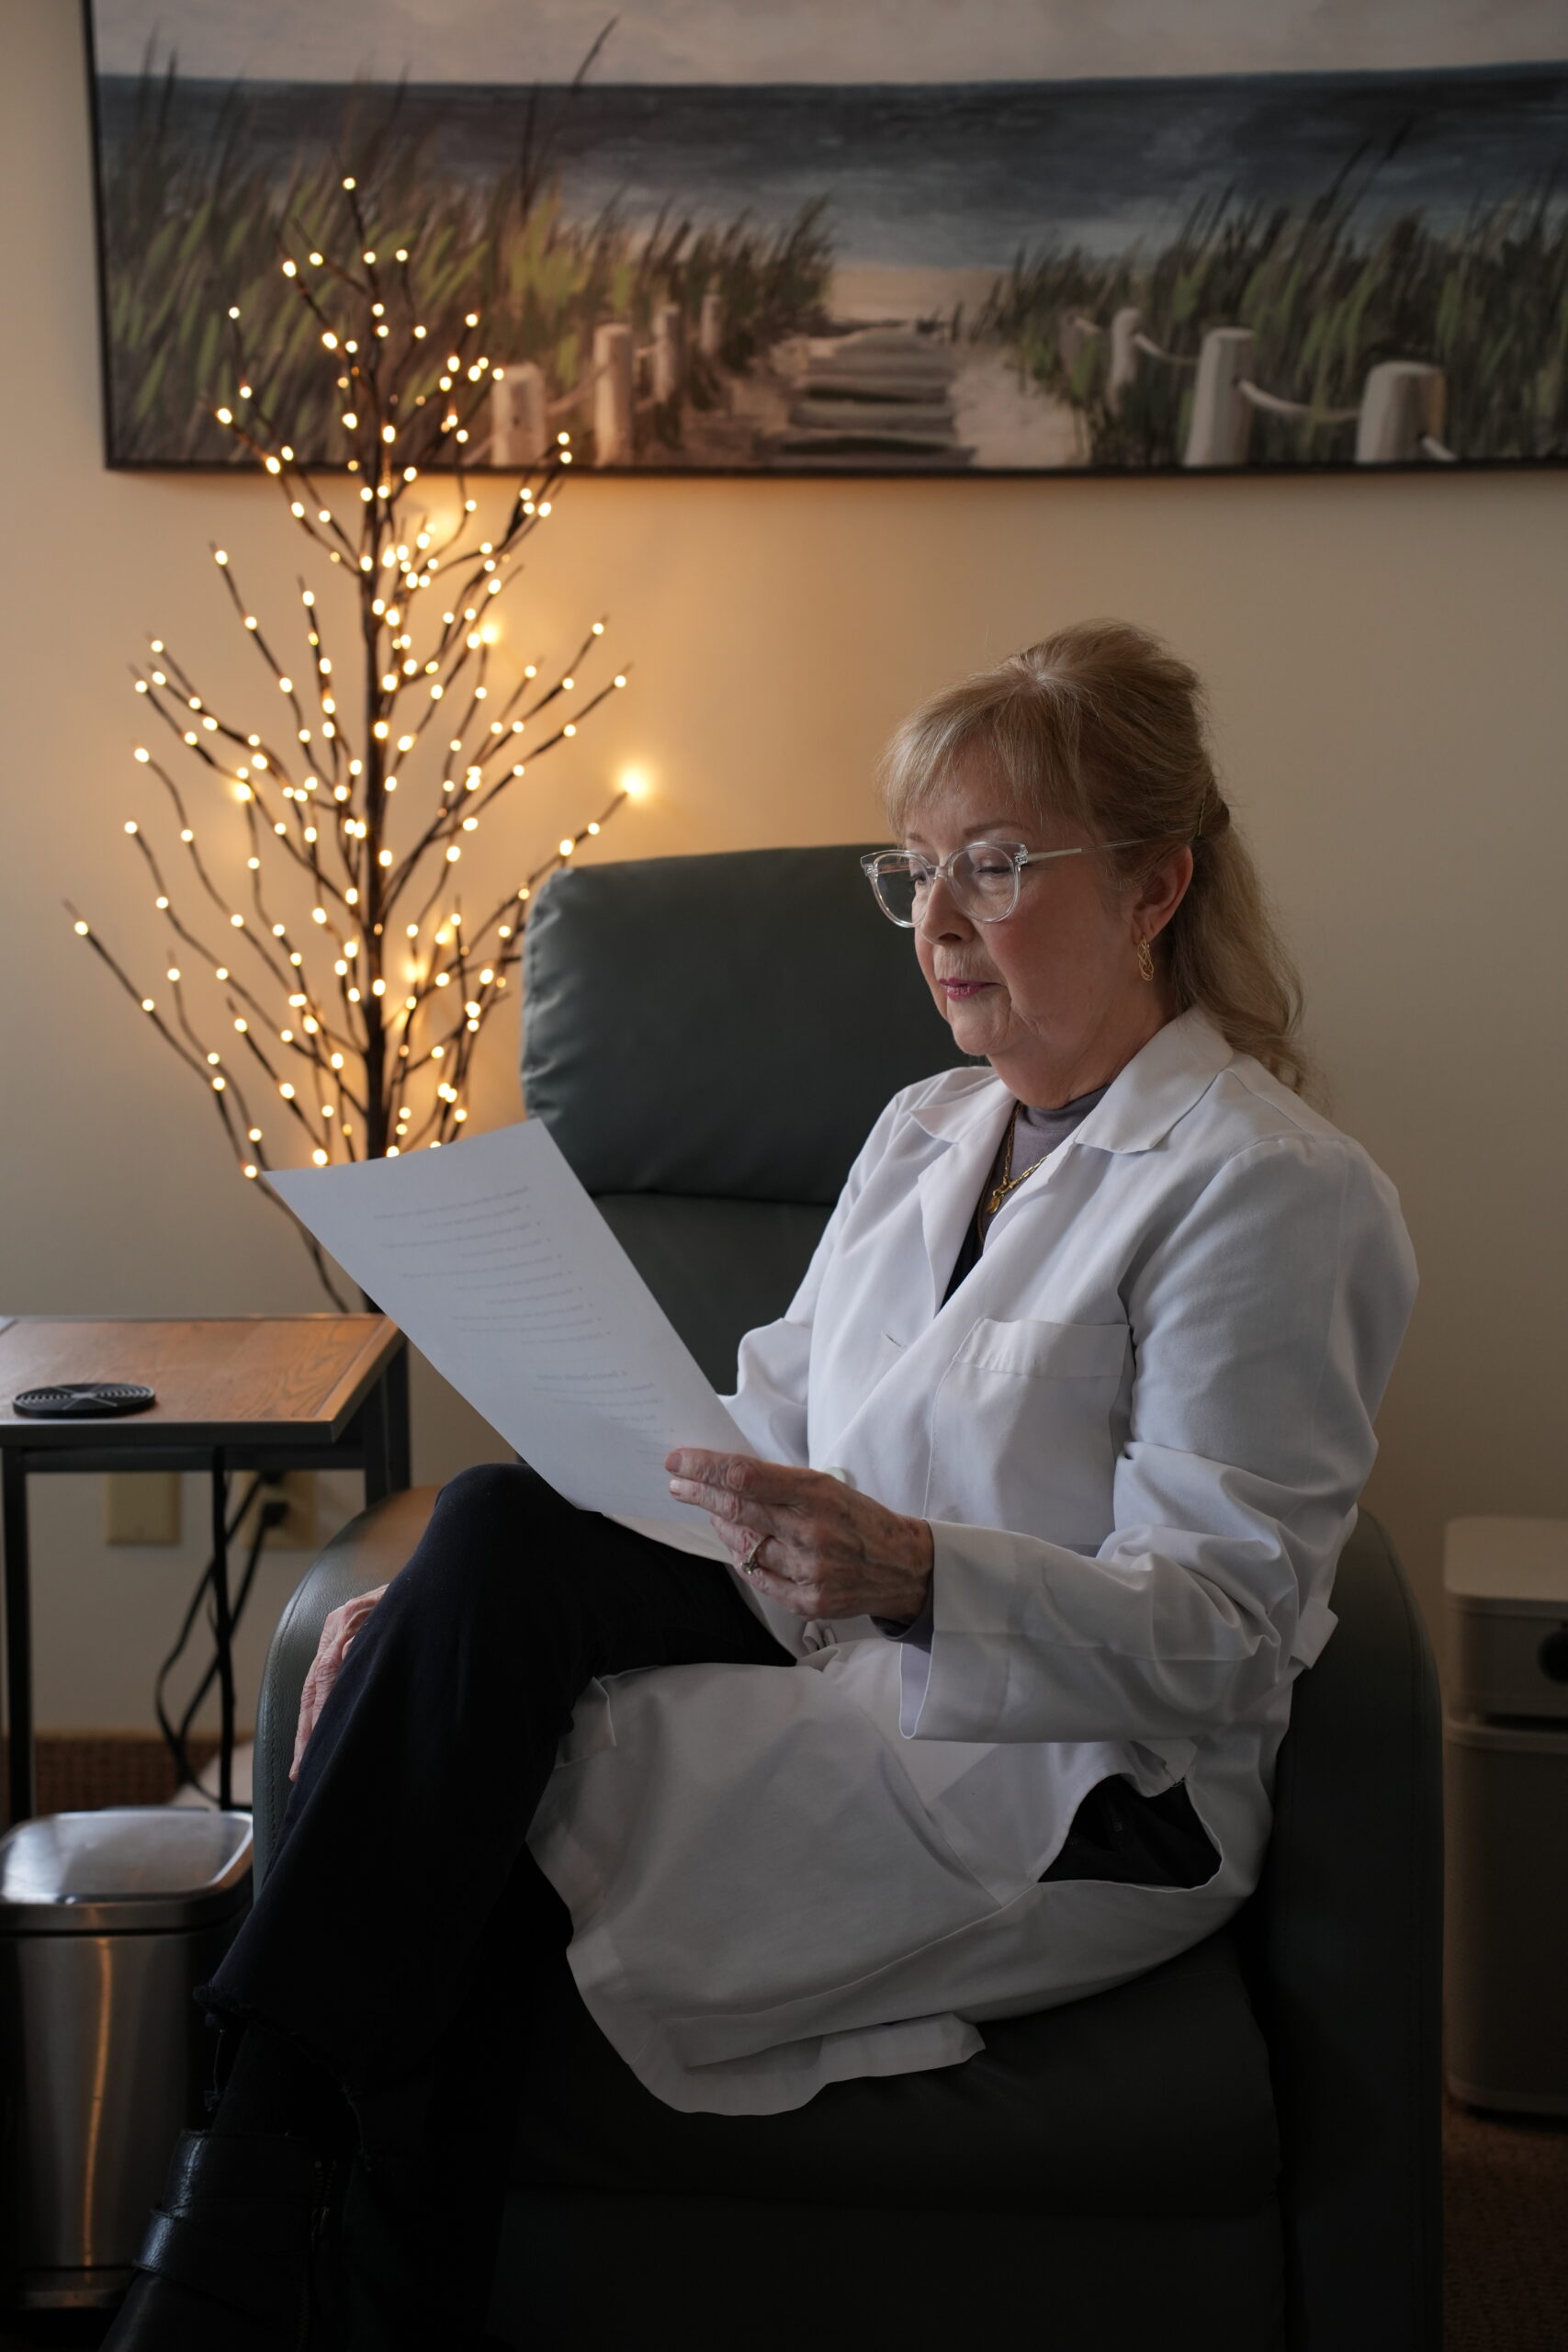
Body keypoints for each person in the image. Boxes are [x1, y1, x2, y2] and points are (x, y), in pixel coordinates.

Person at [107, 619, 1417, 2349]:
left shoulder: (1265, 1192)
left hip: (1074, 1785)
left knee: (478, 1809)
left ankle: (244, 2240)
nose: (939, 922)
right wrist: (419, 1610)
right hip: (827, 1644)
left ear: (1159, 884)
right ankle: (270, 2233)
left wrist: (924, 1573)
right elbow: (756, 1429)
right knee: (487, 1537)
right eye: (917, 871)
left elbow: (1236, 1634)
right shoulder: (920, 1135)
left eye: (998, 867)